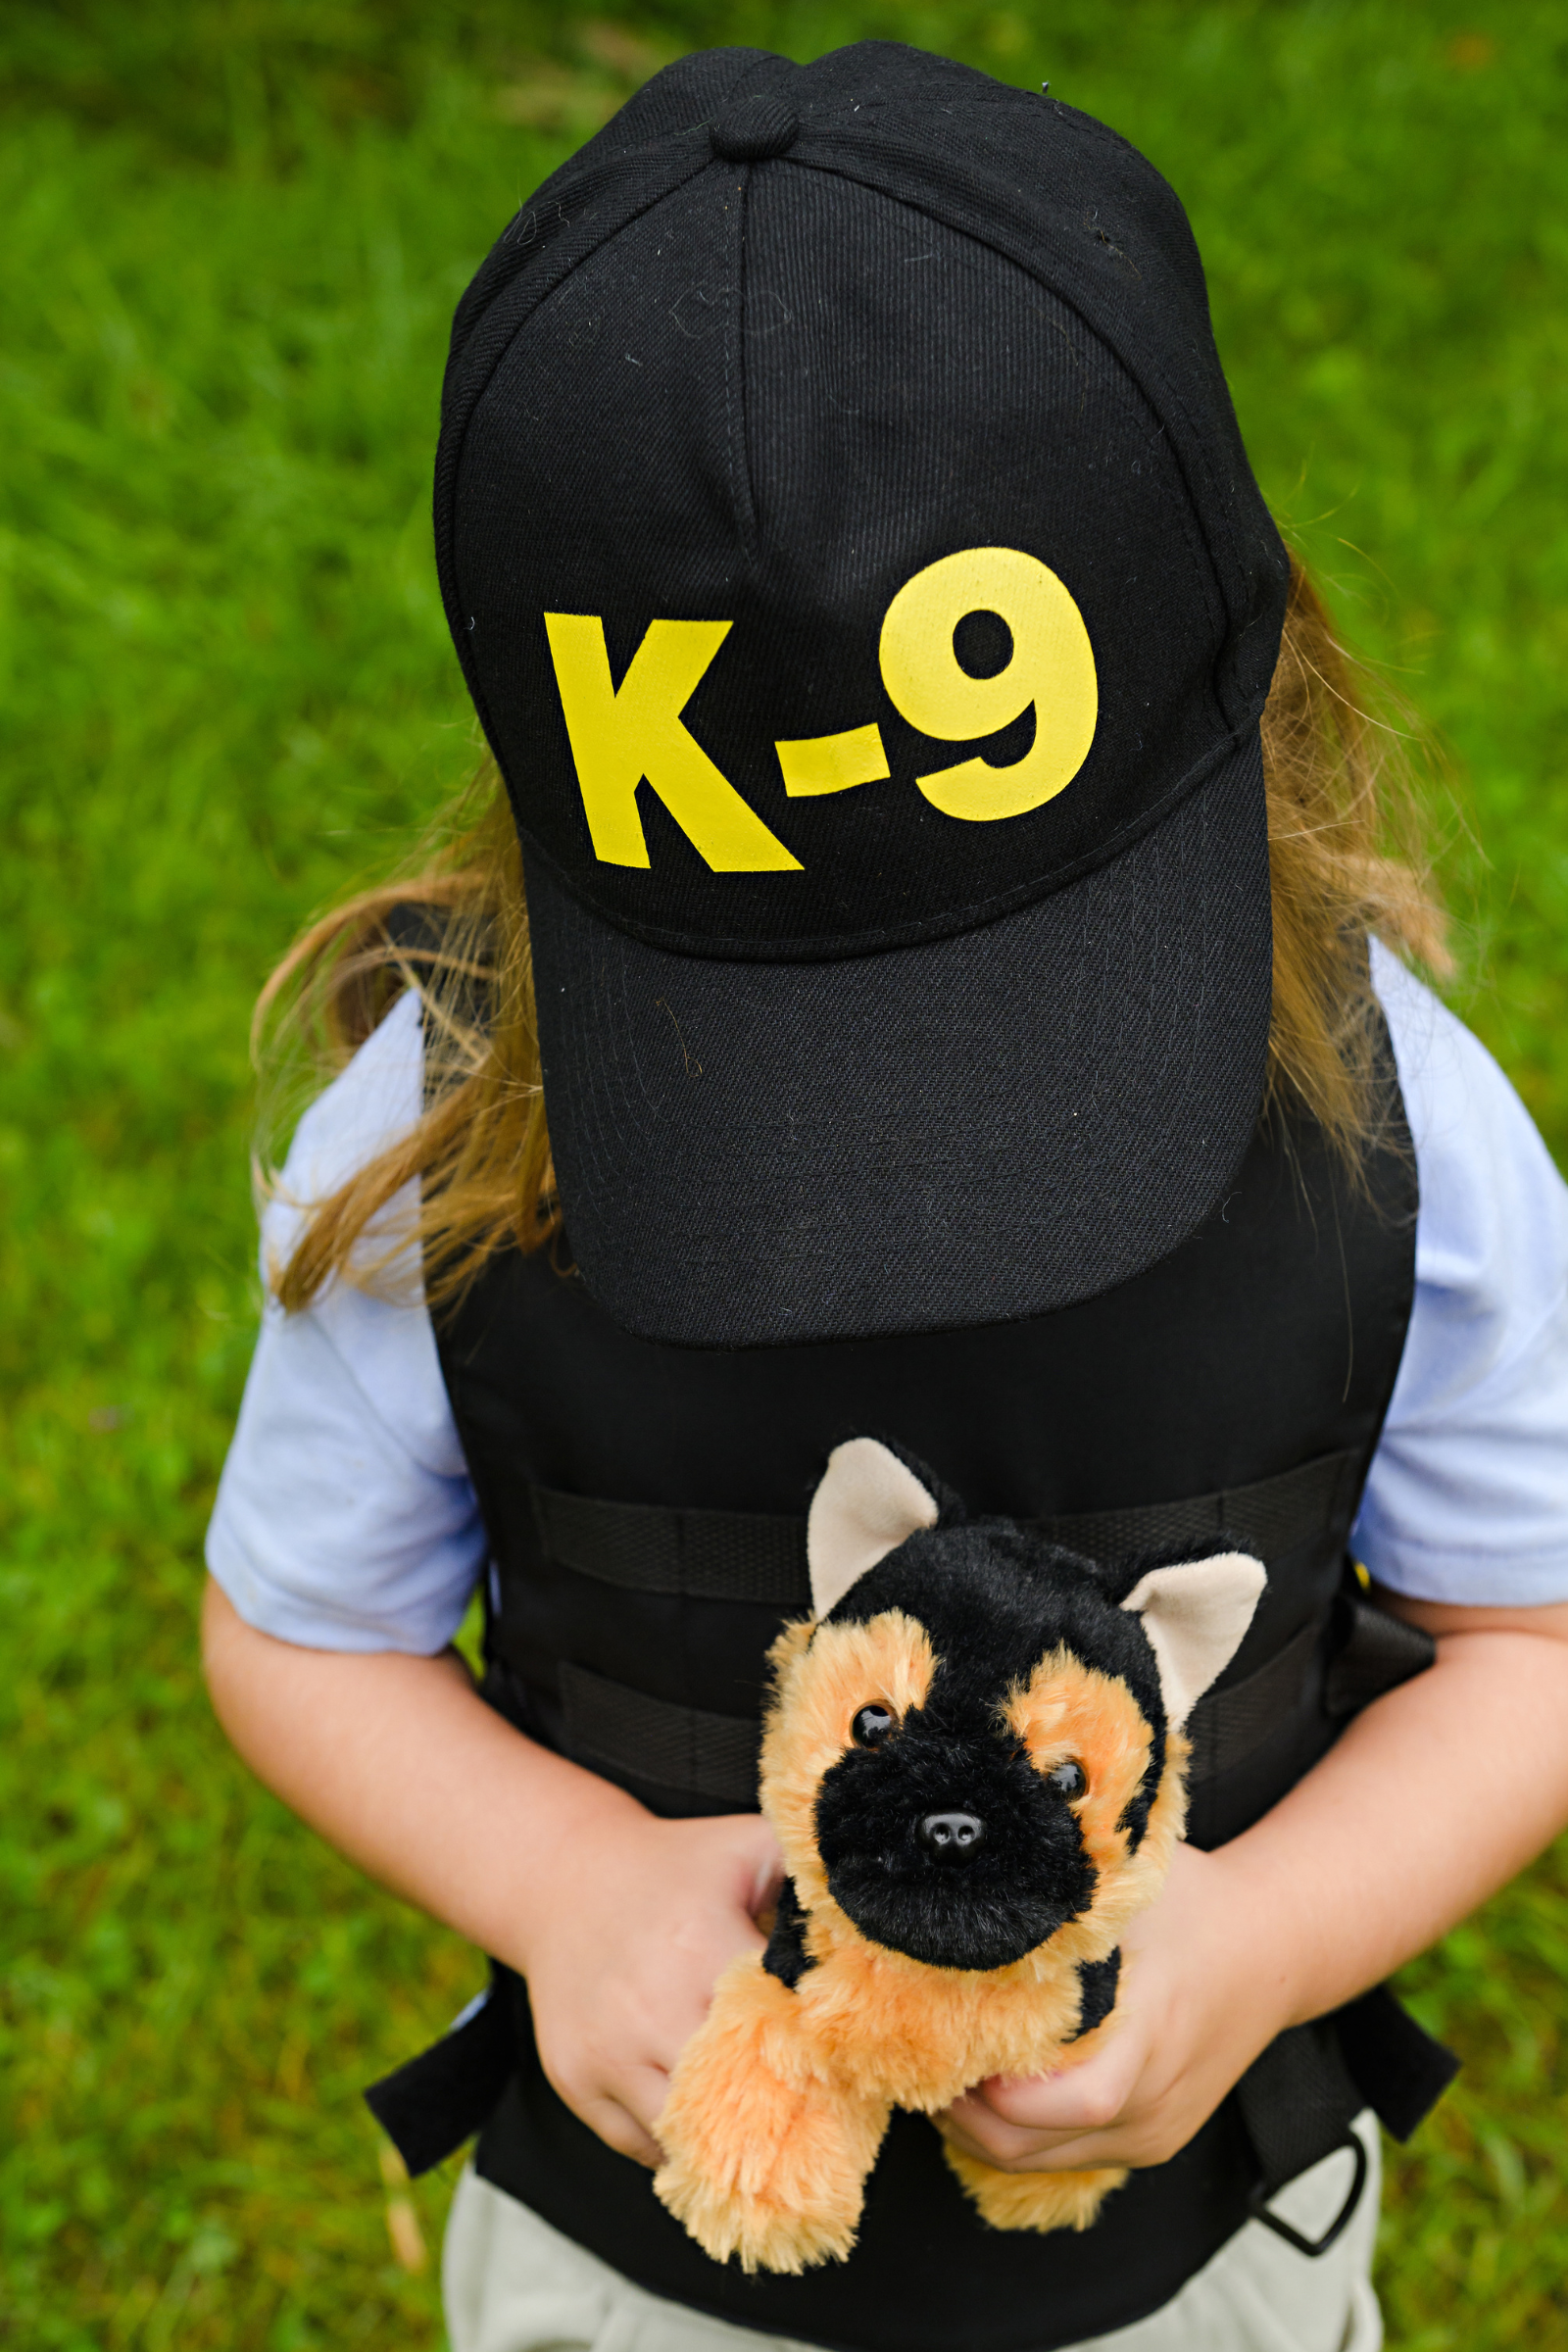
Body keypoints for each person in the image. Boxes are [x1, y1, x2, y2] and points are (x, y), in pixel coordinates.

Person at [202, 39, 1568, 2352]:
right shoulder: (438, 1129)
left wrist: (1261, 1945)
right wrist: (561, 1888)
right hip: (641, 2274)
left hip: (1198, 2270)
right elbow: (296, 1634)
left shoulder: (1391, 1129)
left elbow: (1530, 1648)